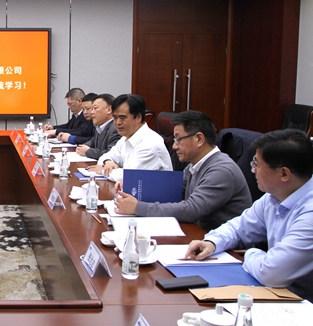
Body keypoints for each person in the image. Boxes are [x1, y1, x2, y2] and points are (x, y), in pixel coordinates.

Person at [185, 129, 313, 301]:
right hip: (280, 293)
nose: (253, 170)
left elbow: (271, 273)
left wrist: (250, 254)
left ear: (284, 174)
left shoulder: (309, 213)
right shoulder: (273, 197)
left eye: (257, 164)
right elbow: (238, 228)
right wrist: (212, 242)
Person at [114, 110, 252, 231]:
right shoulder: (194, 165)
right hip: (199, 233)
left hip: (222, 245)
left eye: (179, 139)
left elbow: (191, 210)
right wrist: (132, 185)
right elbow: (171, 191)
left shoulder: (221, 171)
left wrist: (137, 207)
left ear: (199, 139)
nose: (174, 146)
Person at [93, 94, 172, 182]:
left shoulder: (150, 143)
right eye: (115, 118)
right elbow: (105, 156)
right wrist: (108, 162)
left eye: (122, 118)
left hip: (152, 190)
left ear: (138, 117)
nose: (117, 122)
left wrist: (103, 171)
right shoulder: (126, 138)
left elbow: (128, 176)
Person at [75, 94, 121, 160]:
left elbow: (111, 154)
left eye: (95, 108)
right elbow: (92, 142)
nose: (92, 112)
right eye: (92, 109)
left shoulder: (116, 128)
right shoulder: (100, 126)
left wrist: (88, 151)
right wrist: (83, 146)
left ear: (109, 110)